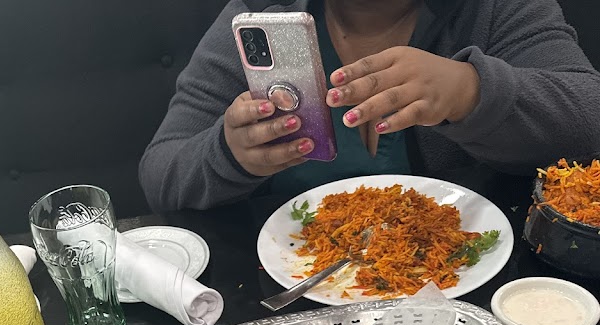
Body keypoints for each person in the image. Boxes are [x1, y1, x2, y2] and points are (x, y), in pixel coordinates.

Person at [139, 0, 600, 211]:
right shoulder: (260, 15)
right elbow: (161, 175)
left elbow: (588, 118)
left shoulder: (495, 9)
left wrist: (470, 92)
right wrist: (229, 153)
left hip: (466, 289)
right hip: (291, 290)